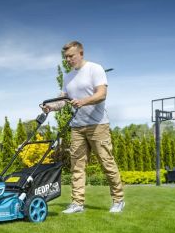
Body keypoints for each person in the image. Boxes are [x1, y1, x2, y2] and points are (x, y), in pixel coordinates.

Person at [42, 40, 125, 213]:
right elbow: (63, 100)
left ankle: (118, 200)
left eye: (71, 56)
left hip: (98, 125)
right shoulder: (67, 77)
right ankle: (77, 203)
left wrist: (83, 101)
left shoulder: (95, 69)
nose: (68, 59)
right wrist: (50, 107)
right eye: (66, 57)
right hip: (77, 127)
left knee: (107, 163)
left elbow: (102, 94)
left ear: (81, 53)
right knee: (77, 167)